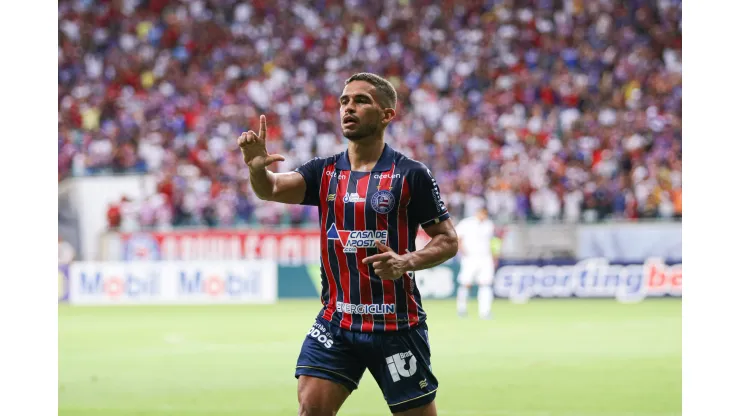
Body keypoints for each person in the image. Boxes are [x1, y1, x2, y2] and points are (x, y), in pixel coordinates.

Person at [237, 73, 458, 416]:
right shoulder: (323, 173)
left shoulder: (410, 174)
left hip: (395, 327)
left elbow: (448, 240)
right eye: (344, 101)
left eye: (360, 100)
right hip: (336, 323)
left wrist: (405, 262)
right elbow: (271, 189)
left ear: (387, 114)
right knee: (311, 410)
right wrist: (256, 170)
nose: (349, 108)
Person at [455, 207, 496, 319]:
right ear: (477, 213)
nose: (483, 215)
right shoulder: (467, 223)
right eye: (482, 213)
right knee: (466, 283)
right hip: (470, 257)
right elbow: (457, 237)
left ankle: (485, 311)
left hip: (485, 257)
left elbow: (491, 241)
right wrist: (461, 249)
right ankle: (461, 309)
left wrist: (493, 256)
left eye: (485, 214)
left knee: (486, 284)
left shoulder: (489, 224)